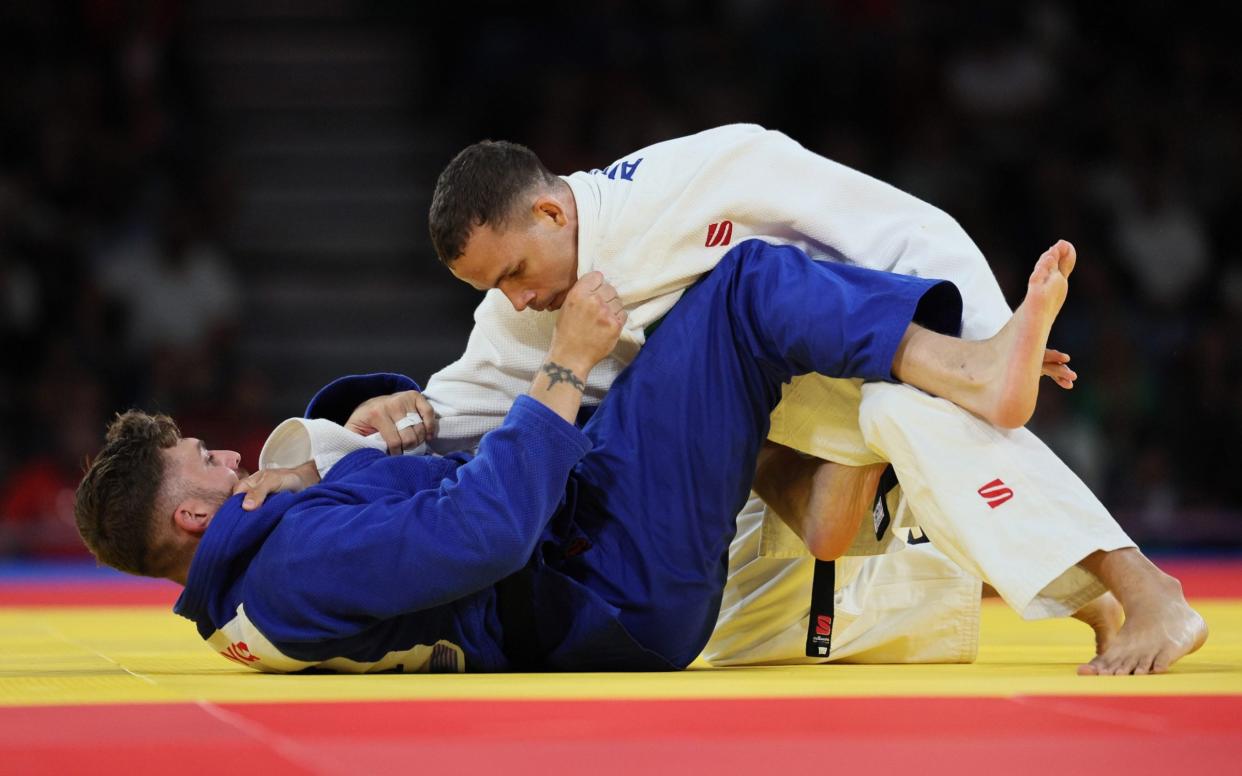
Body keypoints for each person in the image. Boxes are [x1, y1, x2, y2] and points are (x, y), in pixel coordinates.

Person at [370, 125, 1204, 676]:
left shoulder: (703, 173)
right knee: (831, 502)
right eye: (492, 289)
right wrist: (382, 425)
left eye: (513, 273)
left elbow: (889, 224)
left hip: (888, 312)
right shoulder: (523, 316)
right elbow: (458, 402)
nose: (514, 301)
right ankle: (1095, 595)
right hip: (782, 403)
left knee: (901, 410)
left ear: (552, 210)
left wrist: (980, 340)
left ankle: (1143, 594)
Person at [75, 241, 1065, 673]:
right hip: (607, 577)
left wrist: (387, 429)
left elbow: (398, 513)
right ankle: (970, 369)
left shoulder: (259, 579)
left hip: (590, 570)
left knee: (718, 353)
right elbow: (485, 529)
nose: (221, 452)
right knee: (742, 288)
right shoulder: (290, 567)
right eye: (203, 460)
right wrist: (563, 367)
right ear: (193, 518)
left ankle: (832, 489)